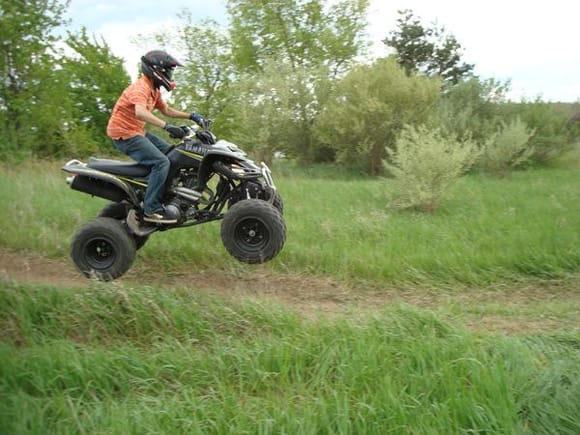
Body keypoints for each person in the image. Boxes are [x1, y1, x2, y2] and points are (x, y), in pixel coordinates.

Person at [106, 50, 204, 224]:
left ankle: (162, 192)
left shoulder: (154, 89)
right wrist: (167, 127)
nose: (170, 75)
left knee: (173, 153)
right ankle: (150, 208)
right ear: (157, 71)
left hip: (137, 131)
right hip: (124, 134)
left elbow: (166, 110)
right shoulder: (141, 87)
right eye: (168, 71)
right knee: (162, 162)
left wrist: (191, 116)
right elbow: (140, 112)